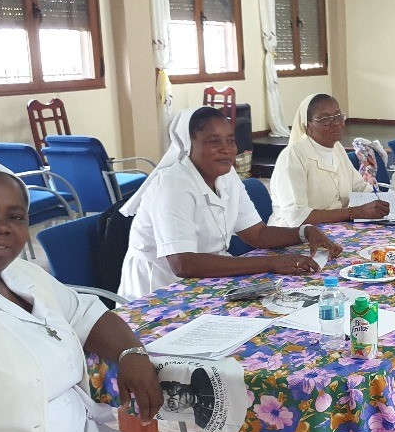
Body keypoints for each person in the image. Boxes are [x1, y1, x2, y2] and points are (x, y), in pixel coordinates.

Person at [0, 157, 168, 432]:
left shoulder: (22, 274)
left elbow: (86, 314)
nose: (0, 226)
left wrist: (131, 353)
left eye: (15, 216)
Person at [118, 107, 342, 300]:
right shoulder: (173, 186)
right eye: (214, 142)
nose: (226, 149)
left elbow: (257, 234)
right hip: (160, 292)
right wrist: (271, 262)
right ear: (189, 146)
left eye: (231, 141)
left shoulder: (227, 176)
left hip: (206, 281)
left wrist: (304, 232)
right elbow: (183, 263)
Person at [268, 94, 395, 227]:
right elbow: (297, 217)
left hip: (334, 231)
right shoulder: (293, 158)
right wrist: (353, 213)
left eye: (338, 115)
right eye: (324, 119)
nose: (335, 122)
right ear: (308, 126)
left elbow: (362, 191)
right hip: (294, 241)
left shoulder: (336, 149)